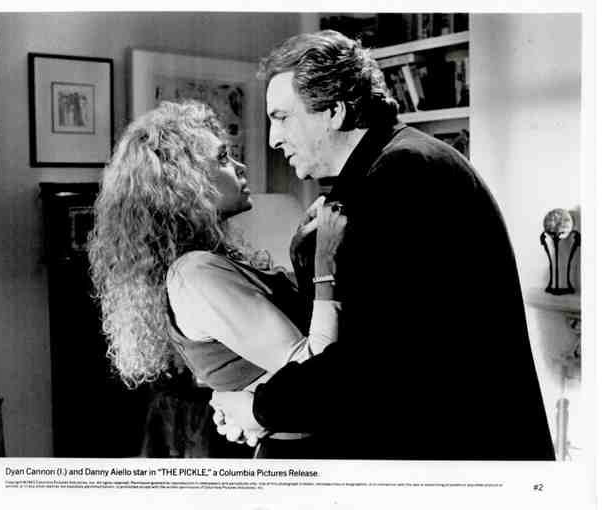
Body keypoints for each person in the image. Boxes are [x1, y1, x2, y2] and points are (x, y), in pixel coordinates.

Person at [210, 30, 556, 460]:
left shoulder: (401, 175)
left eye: (281, 117)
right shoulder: (394, 166)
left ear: (334, 111)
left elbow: (370, 359)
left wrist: (259, 409)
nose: (273, 139)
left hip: (462, 454)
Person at [88, 100, 347, 458]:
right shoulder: (193, 274)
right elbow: (312, 369)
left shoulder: (203, 263)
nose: (240, 167)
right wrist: (324, 264)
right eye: (223, 158)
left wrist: (301, 254)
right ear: (185, 184)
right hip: (303, 454)